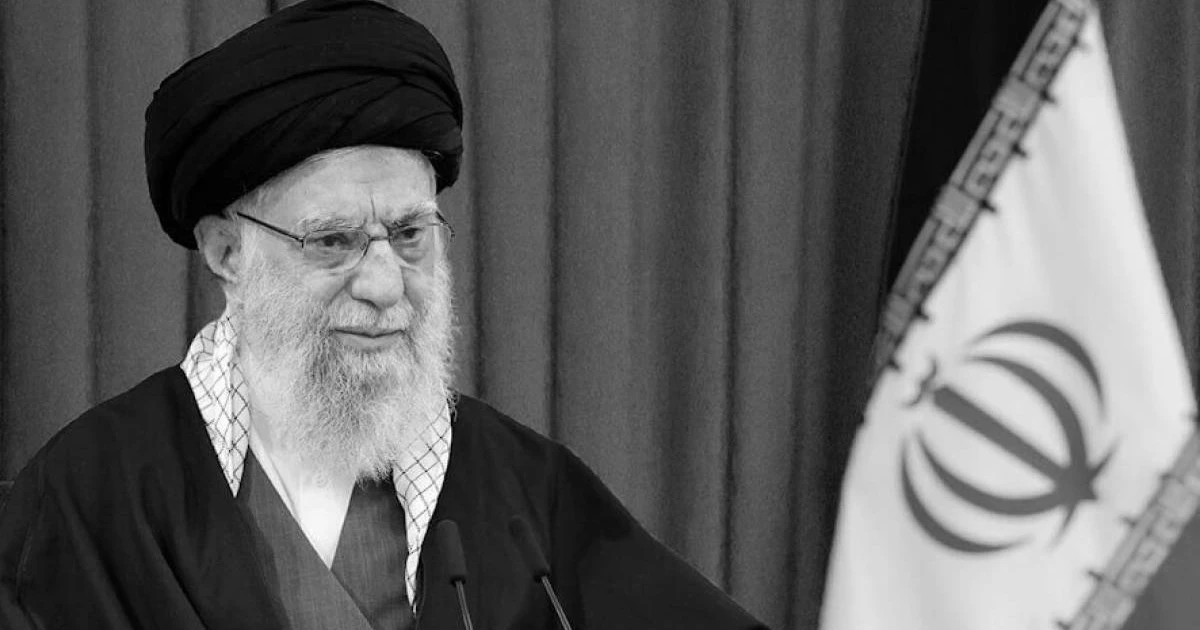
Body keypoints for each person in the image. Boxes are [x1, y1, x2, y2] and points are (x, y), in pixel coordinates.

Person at [0, 1, 767, 628]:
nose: (383, 284)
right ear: (227, 253)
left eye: (408, 235)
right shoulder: (87, 499)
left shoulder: (527, 497)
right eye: (333, 241)